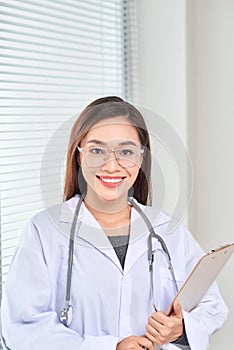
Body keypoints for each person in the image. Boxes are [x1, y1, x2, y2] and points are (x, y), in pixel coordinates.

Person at [0, 96, 228, 350]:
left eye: (126, 152)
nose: (111, 165)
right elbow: (20, 326)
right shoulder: (44, 231)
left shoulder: (167, 230)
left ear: (141, 158)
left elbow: (212, 307)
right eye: (97, 150)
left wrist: (181, 328)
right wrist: (111, 347)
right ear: (78, 155)